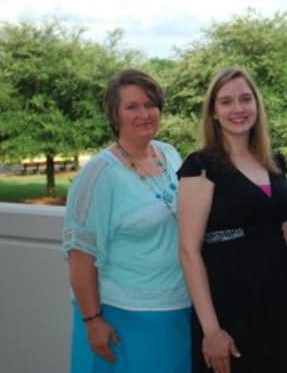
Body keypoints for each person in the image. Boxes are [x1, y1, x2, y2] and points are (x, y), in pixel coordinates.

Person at [177, 66, 287, 373]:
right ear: (214, 113)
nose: (238, 109)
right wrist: (211, 330)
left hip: (276, 306)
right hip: (227, 311)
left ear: (257, 106)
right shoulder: (201, 166)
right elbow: (188, 251)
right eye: (226, 101)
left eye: (246, 99)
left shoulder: (274, 162)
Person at [62, 69, 191, 372]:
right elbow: (80, 254)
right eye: (132, 107)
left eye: (150, 104)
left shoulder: (170, 155)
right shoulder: (99, 175)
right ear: (115, 114)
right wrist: (93, 321)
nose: (144, 114)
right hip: (125, 316)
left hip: (179, 310)